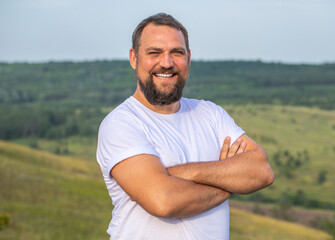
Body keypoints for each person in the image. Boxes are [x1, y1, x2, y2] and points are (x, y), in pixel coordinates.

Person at [96, 13, 274, 240]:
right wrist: (229, 180)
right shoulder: (121, 124)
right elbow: (163, 201)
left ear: (188, 57)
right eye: (154, 53)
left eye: (177, 52)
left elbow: (262, 172)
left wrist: (182, 173)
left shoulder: (210, 114)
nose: (167, 63)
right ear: (134, 58)